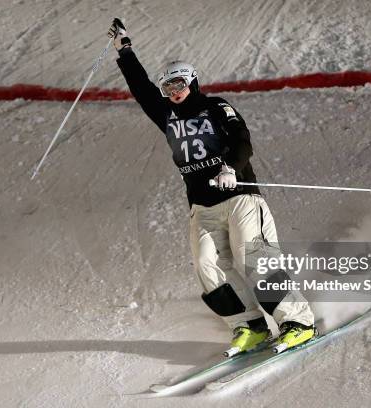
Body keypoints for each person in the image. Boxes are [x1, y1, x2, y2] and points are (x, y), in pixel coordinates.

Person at [108, 18, 315, 354]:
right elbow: (141, 88)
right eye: (168, 88)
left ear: (192, 81)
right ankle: (249, 326)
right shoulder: (167, 116)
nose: (173, 91)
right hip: (202, 205)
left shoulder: (216, 106)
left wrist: (230, 167)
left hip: (238, 196)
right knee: (207, 265)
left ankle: (298, 322)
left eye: (178, 84)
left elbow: (243, 142)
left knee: (254, 256)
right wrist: (124, 50)